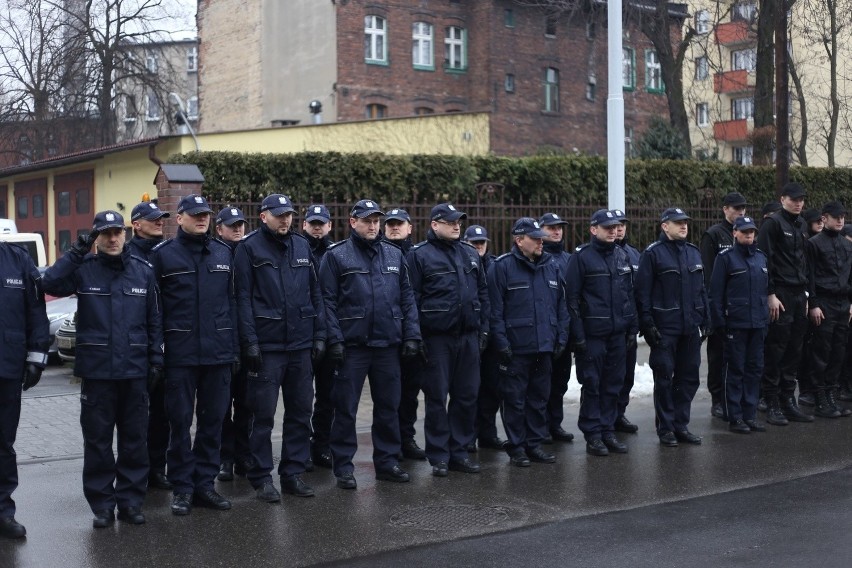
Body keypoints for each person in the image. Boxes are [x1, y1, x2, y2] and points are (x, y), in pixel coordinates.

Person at [43, 210, 163, 528]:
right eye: (105, 234)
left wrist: (156, 360)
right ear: (96, 238)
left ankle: (130, 502)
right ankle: (102, 506)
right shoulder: (85, 270)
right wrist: (77, 250)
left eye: (117, 233)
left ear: (125, 234)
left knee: (134, 441)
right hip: (97, 374)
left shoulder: (142, 271)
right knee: (97, 442)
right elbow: (50, 281)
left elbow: (154, 320)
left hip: (134, 371)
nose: (112, 239)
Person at [319, 199, 422, 489]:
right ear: (353, 222)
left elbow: (407, 298)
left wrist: (412, 335)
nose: (374, 225)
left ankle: (387, 462)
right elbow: (326, 301)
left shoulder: (393, 254)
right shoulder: (337, 256)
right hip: (352, 347)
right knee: (346, 409)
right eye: (367, 220)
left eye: (377, 220)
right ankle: (343, 467)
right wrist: (335, 339)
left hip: (387, 345)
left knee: (389, 406)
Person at [150, 194, 238, 516]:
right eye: (195, 214)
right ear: (180, 218)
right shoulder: (163, 256)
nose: (203, 219)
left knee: (213, 423)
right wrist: (157, 352)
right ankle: (183, 488)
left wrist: (236, 349)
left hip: (218, 354)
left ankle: (204, 485)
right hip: (180, 356)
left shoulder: (224, 253)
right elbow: (154, 310)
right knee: (180, 424)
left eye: (206, 214)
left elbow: (233, 304)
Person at [233, 195, 326, 502]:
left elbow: (316, 293)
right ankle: (261, 477)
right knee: (263, 417)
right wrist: (250, 343)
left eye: (288, 214)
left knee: (301, 413)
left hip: (300, 345)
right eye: (278, 215)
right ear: (263, 217)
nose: (284, 219)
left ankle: (292, 473)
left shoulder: (301, 246)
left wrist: (319, 335)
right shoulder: (248, 249)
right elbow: (242, 299)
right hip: (268, 346)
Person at [407, 203, 489, 477]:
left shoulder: (469, 253)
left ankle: (460, 452)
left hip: (467, 338)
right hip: (437, 340)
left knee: (466, 397)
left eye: (459, 222)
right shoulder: (419, 256)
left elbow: (483, 295)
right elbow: (411, 300)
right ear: (434, 224)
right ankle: (439, 456)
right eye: (451, 222)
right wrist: (417, 337)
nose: (457, 226)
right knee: (436, 400)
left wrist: (484, 330)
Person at [488, 218, 569, 467]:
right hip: (516, 348)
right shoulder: (502, 267)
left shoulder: (551, 267)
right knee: (514, 400)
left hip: (544, 347)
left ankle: (534, 444)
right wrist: (501, 343)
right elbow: (494, 311)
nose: (540, 242)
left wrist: (561, 338)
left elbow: (561, 307)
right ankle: (517, 448)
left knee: (539, 399)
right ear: (519, 240)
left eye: (541, 238)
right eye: (535, 238)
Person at [565, 209, 637, 456]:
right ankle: (593, 434)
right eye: (607, 228)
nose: (612, 231)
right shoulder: (582, 257)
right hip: (593, 335)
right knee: (593, 385)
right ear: (593, 229)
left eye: (614, 227)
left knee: (613, 385)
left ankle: (607, 430)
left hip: (617, 334)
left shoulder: (621, 255)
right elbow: (572, 300)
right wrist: (579, 336)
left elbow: (629, 295)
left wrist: (631, 328)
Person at [635, 208, 709, 447]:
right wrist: (647, 324)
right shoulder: (653, 254)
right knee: (665, 378)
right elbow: (642, 293)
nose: (684, 226)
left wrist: (705, 318)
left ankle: (681, 424)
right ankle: (666, 428)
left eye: (685, 222)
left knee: (689, 378)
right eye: (678, 223)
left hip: (690, 328)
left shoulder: (693, 252)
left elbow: (701, 290)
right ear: (664, 226)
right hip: (665, 328)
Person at [0, 239, 49, 539]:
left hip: (8, 366)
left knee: (3, 445)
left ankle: (4, 512)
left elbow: (36, 310)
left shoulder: (17, 260)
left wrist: (36, 358)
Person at [756, 183, 814, 426]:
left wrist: (808, 295)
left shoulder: (801, 225)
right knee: (776, 350)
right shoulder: (773, 223)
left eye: (801, 199)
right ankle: (772, 402)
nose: (798, 203)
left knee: (794, 350)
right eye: (793, 199)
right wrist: (770, 294)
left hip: (799, 294)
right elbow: (764, 259)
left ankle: (788, 400)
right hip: (780, 294)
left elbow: (804, 262)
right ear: (783, 199)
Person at [709, 216, 768, 433]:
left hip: (757, 324)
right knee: (735, 370)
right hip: (736, 324)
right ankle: (734, 416)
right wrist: (720, 324)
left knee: (754, 370)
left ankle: (749, 414)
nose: (749, 235)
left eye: (752, 232)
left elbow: (763, 291)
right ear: (735, 233)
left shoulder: (761, 258)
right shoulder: (725, 258)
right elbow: (715, 294)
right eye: (744, 232)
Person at [128, 200, 172, 491]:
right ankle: (135, 472)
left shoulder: (167, 252)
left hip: (166, 343)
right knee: (134, 418)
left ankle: (157, 468)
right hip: (135, 348)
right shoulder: (126, 254)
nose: (159, 222)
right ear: (136, 224)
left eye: (161, 218)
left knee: (162, 414)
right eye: (153, 218)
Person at [700, 192, 747, 420]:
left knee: (738, 356)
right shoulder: (713, 235)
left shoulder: (746, 234)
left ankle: (735, 398)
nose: (740, 212)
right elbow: (708, 274)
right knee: (718, 354)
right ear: (725, 209)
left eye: (743, 208)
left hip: (741, 306)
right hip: (721, 304)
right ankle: (717, 399)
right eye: (736, 208)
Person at [384, 208, 426, 461]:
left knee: (410, 392)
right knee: (388, 395)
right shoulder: (378, 253)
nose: (394, 228)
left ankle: (406, 437)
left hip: (415, 333)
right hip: (388, 335)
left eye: (400, 224)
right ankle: (390, 443)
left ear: (410, 228)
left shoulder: (419, 256)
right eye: (390, 224)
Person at [214, 206, 253, 482]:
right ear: (219, 229)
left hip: (249, 339)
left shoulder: (251, 251)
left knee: (248, 404)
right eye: (231, 225)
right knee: (221, 406)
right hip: (223, 342)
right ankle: (224, 457)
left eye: (240, 224)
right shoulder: (215, 253)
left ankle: (243, 455)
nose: (237, 229)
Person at [804, 202, 852, 418]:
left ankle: (832, 394)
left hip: (843, 303)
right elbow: (810, 276)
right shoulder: (814, 244)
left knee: (838, 351)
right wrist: (813, 304)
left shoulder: (847, 244)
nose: (840, 220)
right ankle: (820, 397)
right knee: (821, 351)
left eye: (842, 216)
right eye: (835, 217)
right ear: (824, 218)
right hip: (823, 302)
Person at [465, 225, 507, 451]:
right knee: (470, 390)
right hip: (471, 334)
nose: (479, 246)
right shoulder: (462, 263)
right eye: (474, 242)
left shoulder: (496, 266)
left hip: (491, 336)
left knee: (492, 389)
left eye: (482, 242)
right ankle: (469, 436)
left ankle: (488, 434)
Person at [302, 203, 336, 470]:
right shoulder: (295, 249)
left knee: (328, 397)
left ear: (329, 226)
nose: (317, 227)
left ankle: (321, 445)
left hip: (330, 333)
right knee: (300, 399)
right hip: (303, 334)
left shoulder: (337, 253)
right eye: (312, 223)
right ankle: (300, 449)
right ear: (304, 225)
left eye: (321, 223)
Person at [538, 212, 575, 444]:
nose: (556, 231)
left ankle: (555, 423)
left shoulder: (570, 259)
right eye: (551, 227)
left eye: (559, 227)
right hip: (543, 330)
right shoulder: (538, 257)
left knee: (560, 381)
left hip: (564, 329)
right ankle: (540, 427)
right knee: (542, 383)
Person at [612, 209, 641, 434]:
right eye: (615, 224)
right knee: (607, 377)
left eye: (623, 224)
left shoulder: (634, 254)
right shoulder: (593, 254)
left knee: (627, 375)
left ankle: (619, 413)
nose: (620, 228)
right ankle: (605, 418)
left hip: (629, 325)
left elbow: (640, 291)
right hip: (609, 326)